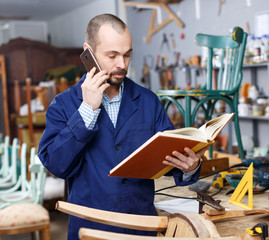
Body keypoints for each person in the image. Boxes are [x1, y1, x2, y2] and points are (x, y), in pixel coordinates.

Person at [38, 13, 207, 239]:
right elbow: (56, 166)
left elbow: (171, 159)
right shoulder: (64, 104)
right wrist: (87, 110)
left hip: (142, 226)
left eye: (127, 55)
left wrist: (190, 167)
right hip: (90, 227)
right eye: (112, 55)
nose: (122, 64)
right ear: (88, 52)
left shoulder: (148, 101)